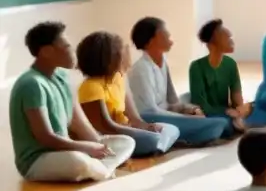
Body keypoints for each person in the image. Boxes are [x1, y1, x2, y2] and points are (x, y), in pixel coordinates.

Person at [8, 22, 134, 182]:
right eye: (66, 47)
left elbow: (78, 122)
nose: (72, 52)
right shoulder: (32, 84)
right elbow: (46, 137)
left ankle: (100, 169)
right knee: (78, 162)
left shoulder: (62, 77)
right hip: (38, 160)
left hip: (66, 149)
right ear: (46, 51)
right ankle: (101, 170)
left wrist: (99, 144)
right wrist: (85, 147)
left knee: (125, 141)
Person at [127, 17, 234, 146]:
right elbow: (150, 111)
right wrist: (187, 117)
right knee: (221, 122)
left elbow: (172, 101)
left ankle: (194, 131)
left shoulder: (162, 62)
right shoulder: (141, 69)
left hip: (165, 113)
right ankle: (195, 132)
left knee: (189, 97)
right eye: (164, 33)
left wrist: (191, 109)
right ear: (150, 41)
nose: (169, 36)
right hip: (150, 119)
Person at [76, 31, 180, 157]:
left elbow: (134, 118)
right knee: (151, 139)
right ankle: (155, 146)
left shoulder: (119, 78)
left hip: (126, 129)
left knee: (170, 129)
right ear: (110, 57)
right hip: (110, 136)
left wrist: (146, 127)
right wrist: (138, 132)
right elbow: (105, 127)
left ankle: (155, 147)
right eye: (123, 49)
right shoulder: (91, 87)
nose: (128, 52)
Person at [189, 19, 265, 131]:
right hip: (211, 115)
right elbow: (201, 105)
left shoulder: (230, 64)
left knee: (262, 107)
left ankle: (238, 123)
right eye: (227, 38)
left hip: (230, 112)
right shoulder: (197, 67)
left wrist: (241, 109)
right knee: (222, 123)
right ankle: (236, 125)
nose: (232, 41)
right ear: (212, 42)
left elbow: (236, 95)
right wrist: (227, 112)